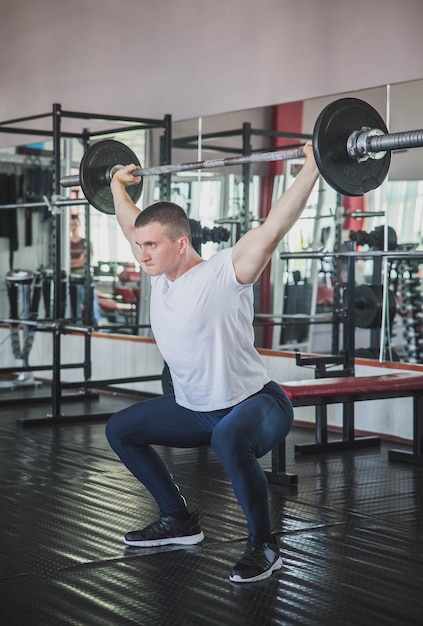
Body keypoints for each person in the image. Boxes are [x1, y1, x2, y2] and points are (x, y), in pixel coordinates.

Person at [105, 143, 319, 583]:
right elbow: (131, 223)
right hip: (194, 407)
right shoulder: (161, 275)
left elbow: (274, 227)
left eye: (151, 245)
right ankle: (179, 520)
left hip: (257, 405)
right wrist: (114, 185)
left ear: (181, 244)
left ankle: (264, 545)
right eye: (139, 246)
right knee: (120, 430)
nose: (141, 253)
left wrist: (313, 166)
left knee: (228, 438)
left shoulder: (225, 272)